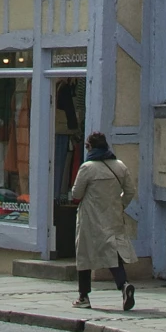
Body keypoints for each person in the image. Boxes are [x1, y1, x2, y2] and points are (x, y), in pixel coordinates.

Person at [65, 131, 137, 312]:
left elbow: (76, 194)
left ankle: (83, 296)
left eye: (87, 146)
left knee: (85, 255)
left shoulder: (87, 168)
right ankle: (123, 285)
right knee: (113, 254)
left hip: (90, 218)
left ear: (90, 147)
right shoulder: (120, 166)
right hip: (112, 216)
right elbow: (130, 191)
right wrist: (120, 205)